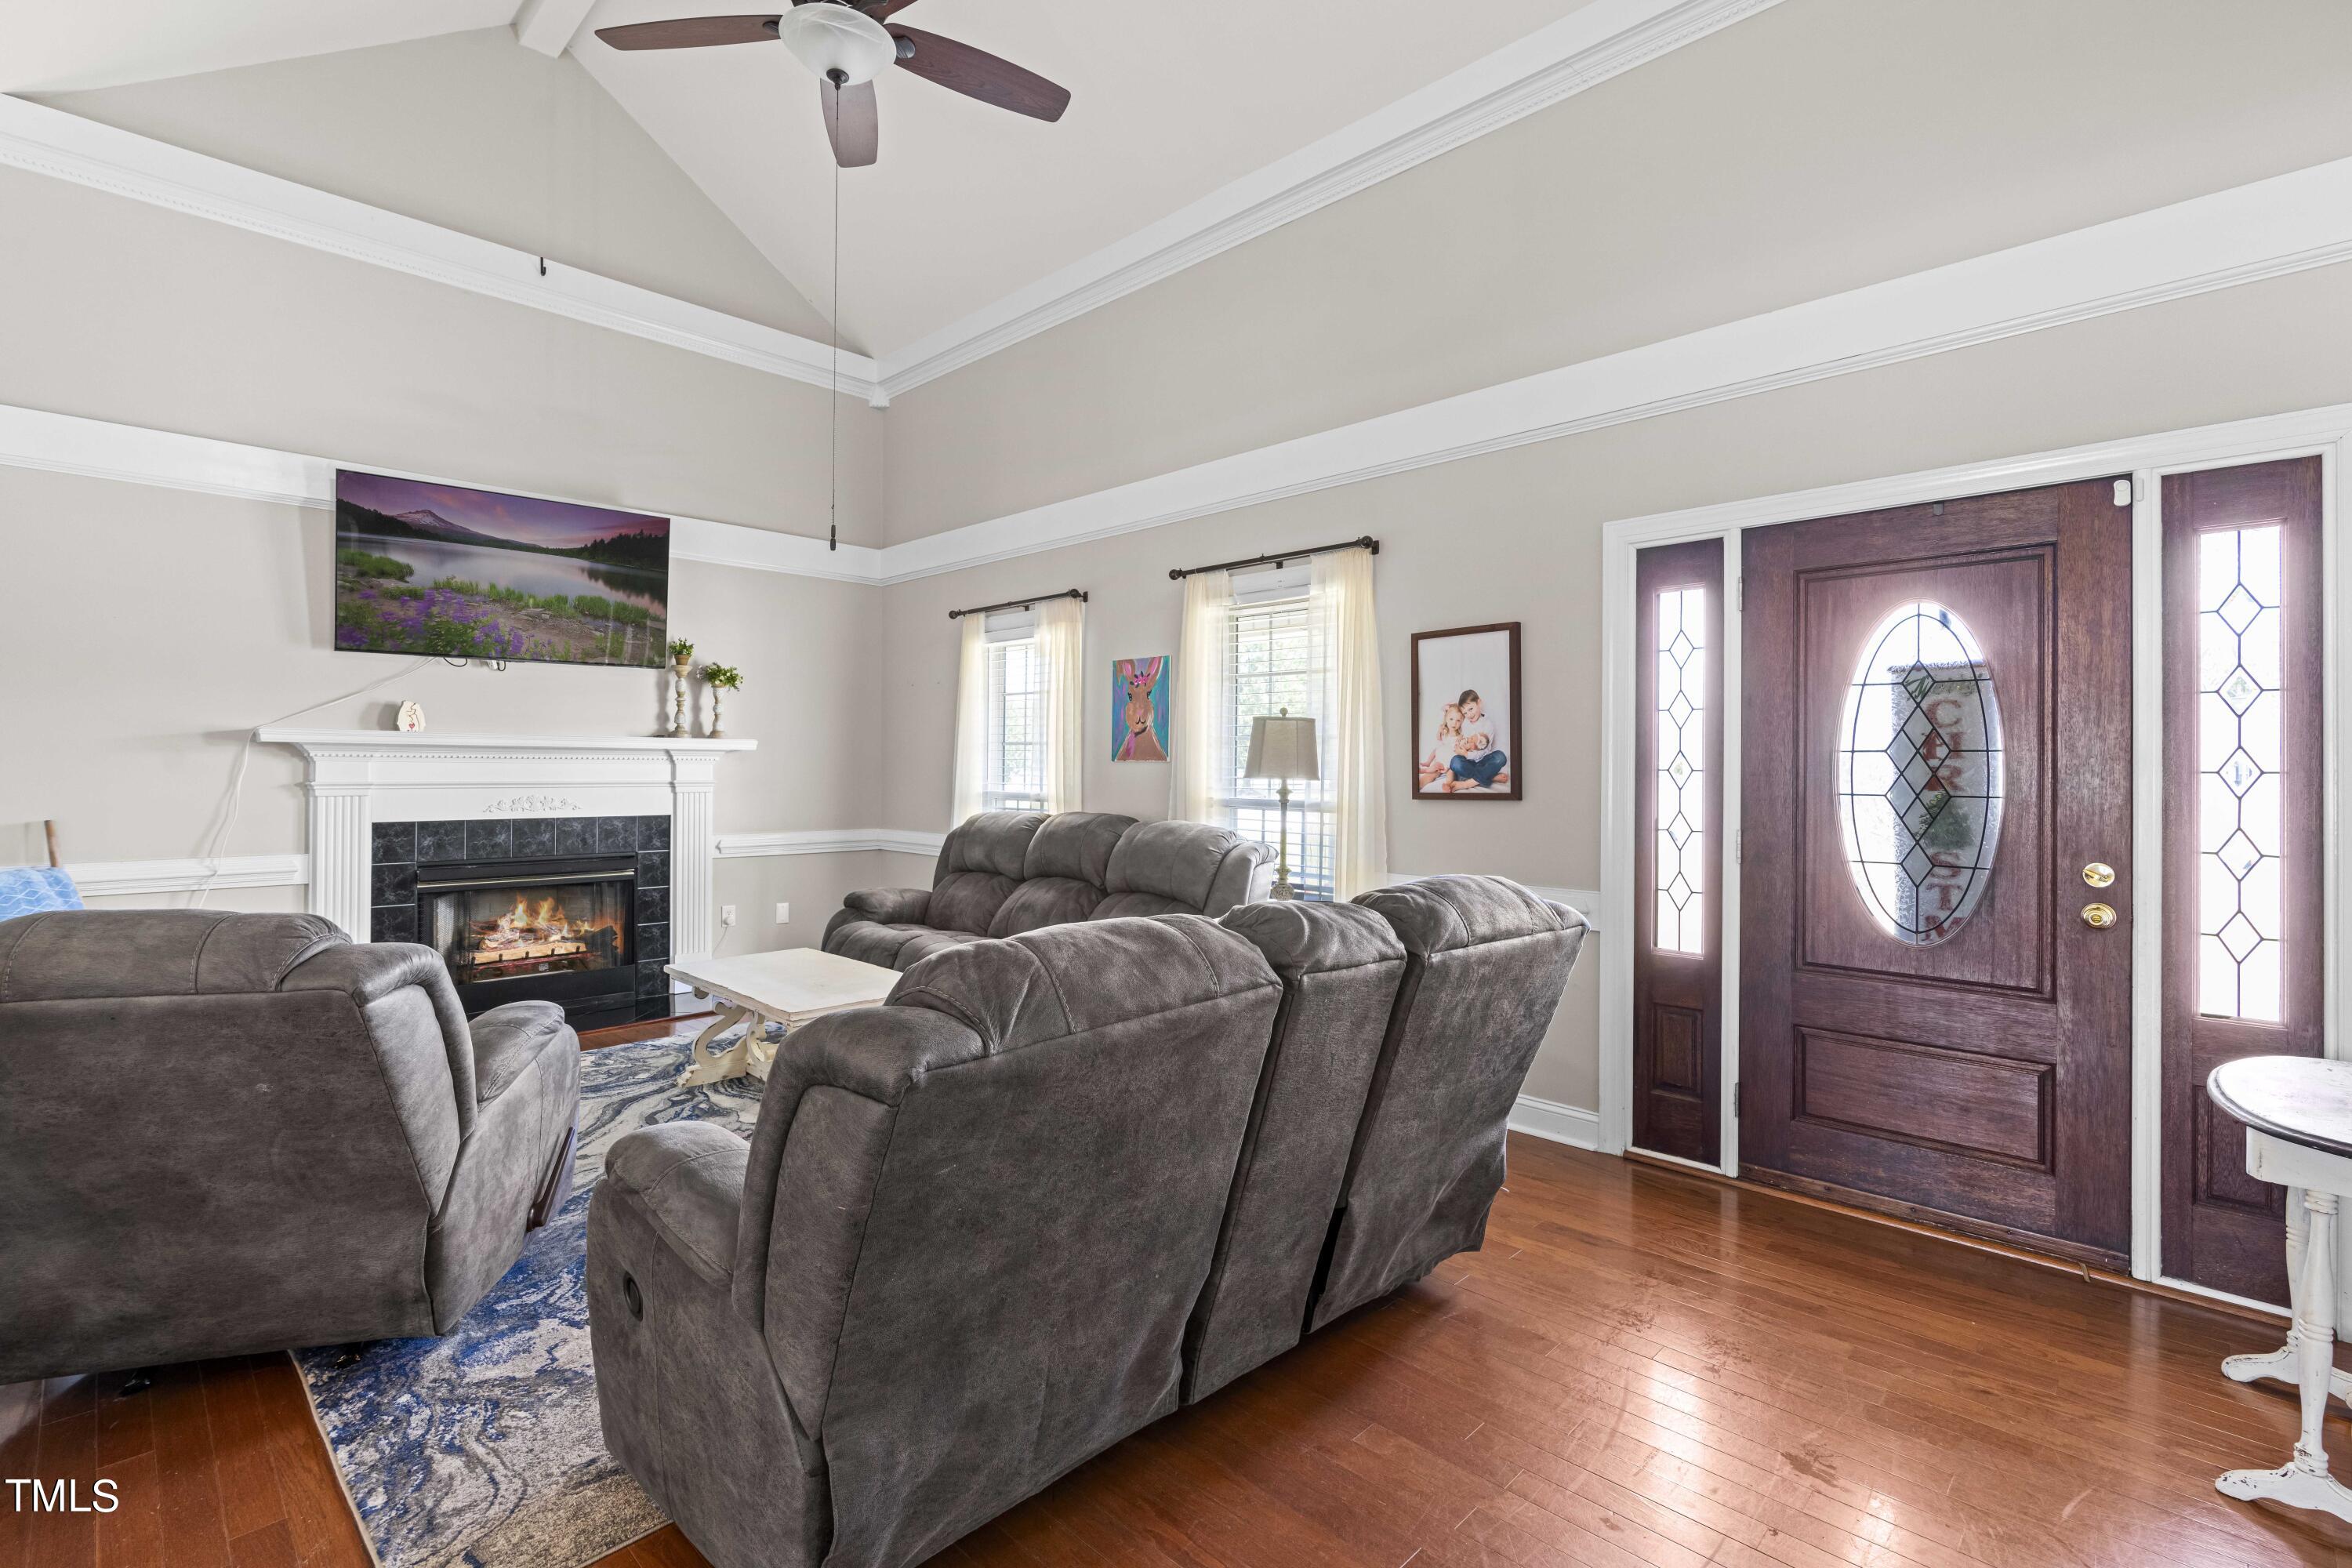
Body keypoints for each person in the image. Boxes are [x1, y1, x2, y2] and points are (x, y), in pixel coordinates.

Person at [1446, 688, 1510, 791]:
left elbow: (1483, 751)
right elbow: (1461, 734)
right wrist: (1460, 743)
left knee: (1500, 757)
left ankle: (1468, 783)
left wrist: (1467, 754)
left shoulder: (1488, 725)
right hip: (1469, 762)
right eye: (1465, 713)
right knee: (1455, 762)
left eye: (1471, 709)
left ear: (1479, 703)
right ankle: (1491, 777)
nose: (1469, 715)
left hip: (1484, 760)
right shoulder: (1465, 723)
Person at [1418, 702, 1463, 789]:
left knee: (1451, 773)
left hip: (1451, 763)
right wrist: (1439, 730)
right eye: (1451, 719)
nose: (1454, 723)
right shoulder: (1444, 731)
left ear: (1462, 722)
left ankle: (1448, 785)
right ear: (1446, 719)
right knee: (1434, 770)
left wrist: (1461, 738)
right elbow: (1438, 738)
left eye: (1458, 721)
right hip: (1441, 760)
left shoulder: (1460, 735)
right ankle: (1421, 781)